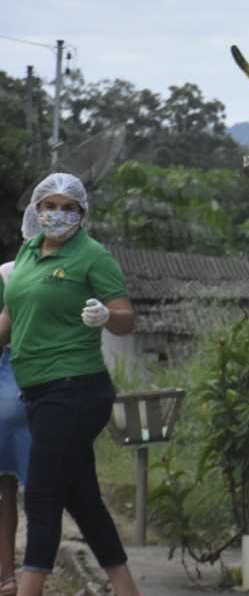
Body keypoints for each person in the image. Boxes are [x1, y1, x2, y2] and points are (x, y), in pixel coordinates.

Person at [0, 174, 142, 596]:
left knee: (42, 493)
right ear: (36, 209)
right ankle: (126, 586)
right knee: (81, 496)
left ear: (82, 214)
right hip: (39, 391)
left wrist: (106, 317)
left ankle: (29, 588)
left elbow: (126, 318)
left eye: (68, 207)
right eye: (50, 205)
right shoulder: (27, 253)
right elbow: (10, 318)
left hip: (77, 388)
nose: (57, 214)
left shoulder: (92, 257)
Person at [0, 257, 31, 596]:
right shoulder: (8, 273)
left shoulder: (83, 263)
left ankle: (24, 575)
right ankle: (10, 575)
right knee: (5, 483)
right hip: (14, 369)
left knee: (39, 487)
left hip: (54, 370)